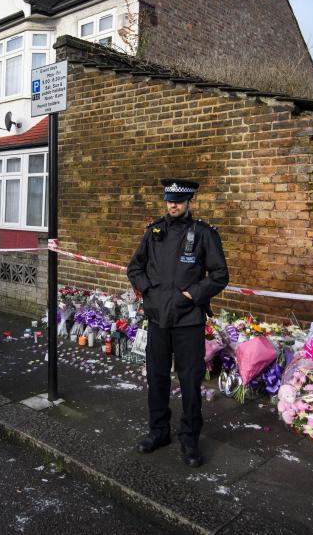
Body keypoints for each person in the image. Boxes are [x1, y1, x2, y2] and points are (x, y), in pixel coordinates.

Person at [127, 179, 228, 467]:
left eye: (179, 201)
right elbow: (134, 267)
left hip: (188, 321)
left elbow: (220, 274)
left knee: (190, 382)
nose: (173, 205)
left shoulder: (204, 234)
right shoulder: (154, 232)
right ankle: (159, 432)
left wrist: (192, 294)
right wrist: (149, 292)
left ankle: (189, 439)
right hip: (158, 319)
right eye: (169, 200)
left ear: (189, 202)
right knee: (156, 378)